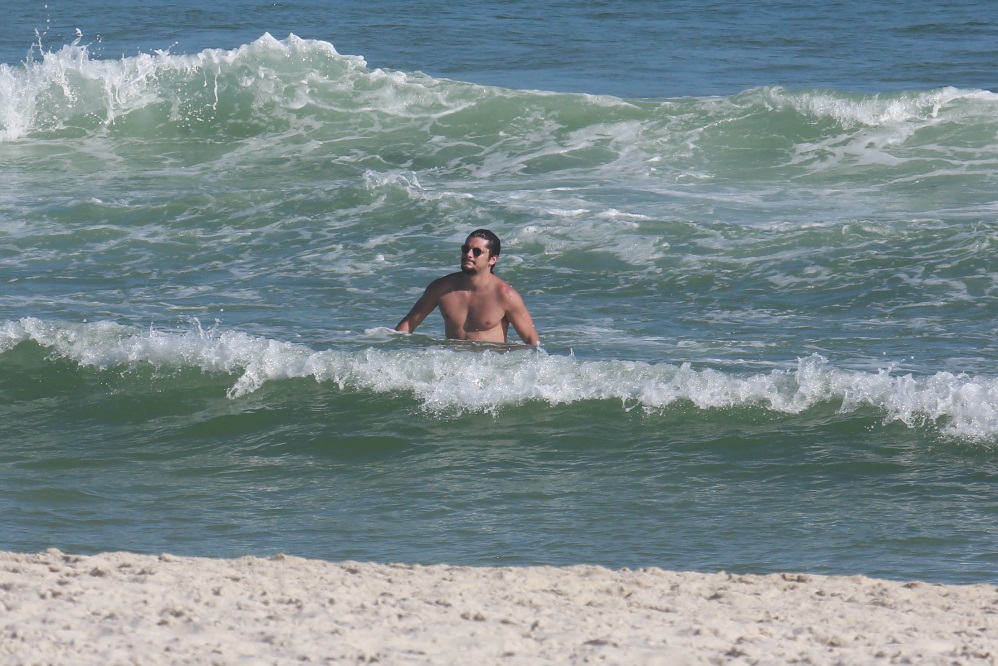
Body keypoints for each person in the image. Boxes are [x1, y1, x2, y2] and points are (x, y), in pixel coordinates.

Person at [395, 229, 540, 347]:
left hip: (490, 371)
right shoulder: (441, 288)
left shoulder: (504, 295)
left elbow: (531, 341)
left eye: (477, 252)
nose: (468, 255)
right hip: (454, 368)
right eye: (465, 249)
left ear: (493, 259)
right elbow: (407, 325)